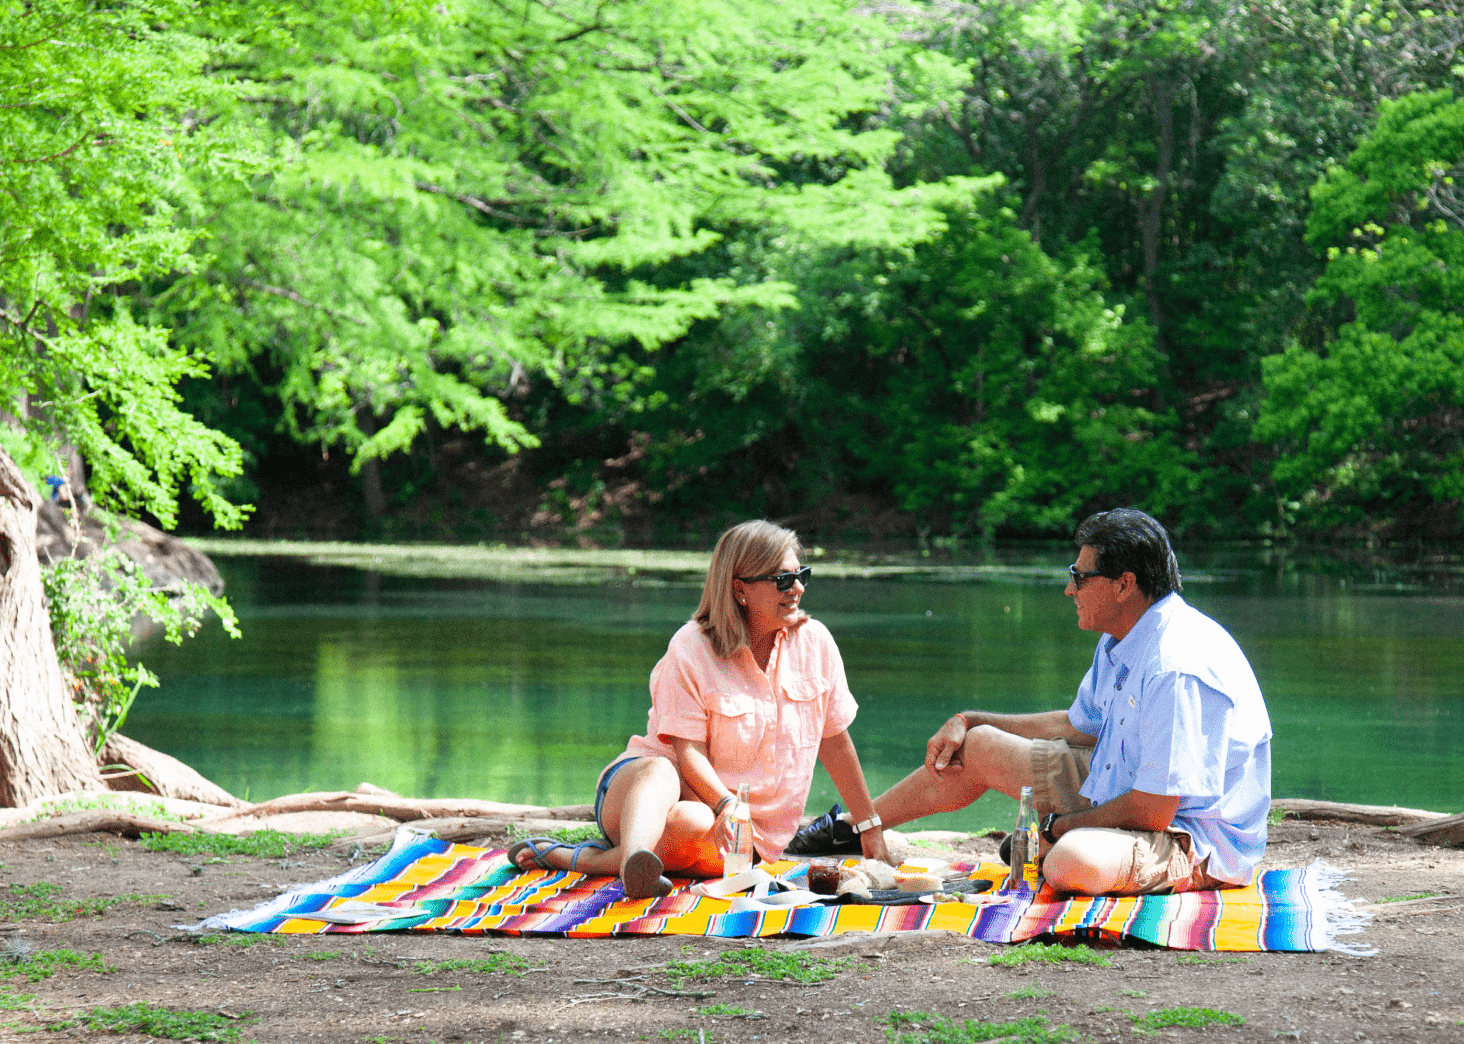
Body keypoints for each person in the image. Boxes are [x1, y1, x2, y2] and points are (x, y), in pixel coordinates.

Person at [789, 507, 1272, 895]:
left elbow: (1154, 810)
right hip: (1122, 786)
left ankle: (1051, 847)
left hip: (1191, 837)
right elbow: (1080, 726)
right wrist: (969, 718)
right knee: (977, 744)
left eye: (1080, 577)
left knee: (1071, 861)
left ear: (1124, 585)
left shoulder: (1175, 665)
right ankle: (856, 825)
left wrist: (1061, 828)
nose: (1069, 589)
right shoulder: (1125, 635)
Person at [509, 519, 891, 898]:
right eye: (782, 580)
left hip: (742, 829)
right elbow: (686, 750)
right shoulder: (690, 647)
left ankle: (585, 860)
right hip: (640, 794)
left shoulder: (816, 644)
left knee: (693, 823)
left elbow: (836, 744)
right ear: (740, 589)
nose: (798, 588)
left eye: (801, 575)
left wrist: (869, 826)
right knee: (661, 770)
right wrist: (726, 802)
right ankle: (632, 860)